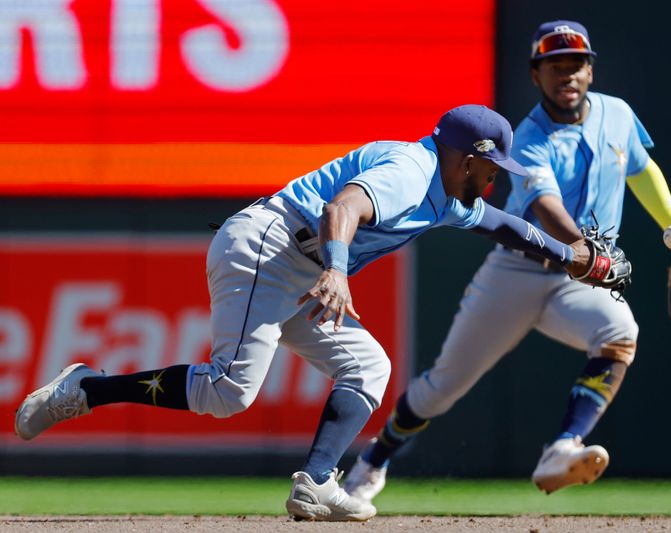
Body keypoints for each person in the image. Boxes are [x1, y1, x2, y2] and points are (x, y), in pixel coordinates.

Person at [14, 104, 626, 521]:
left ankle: (316, 484)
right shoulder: (412, 173)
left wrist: (572, 256)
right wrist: (337, 269)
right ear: (468, 158)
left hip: (302, 268)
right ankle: (88, 389)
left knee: (369, 367)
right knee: (230, 393)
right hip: (270, 247)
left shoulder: (449, 189)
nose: (496, 179)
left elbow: (504, 226)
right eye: (493, 168)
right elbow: (346, 206)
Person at [344, 20, 671, 502]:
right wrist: (588, 253)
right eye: (555, 66)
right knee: (443, 386)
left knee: (620, 334)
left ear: (590, 71)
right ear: (536, 74)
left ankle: (562, 446)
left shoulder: (617, 115)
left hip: (578, 281)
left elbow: (642, 169)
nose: (566, 74)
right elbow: (545, 207)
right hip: (518, 270)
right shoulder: (529, 136)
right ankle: (372, 462)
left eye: (576, 64)